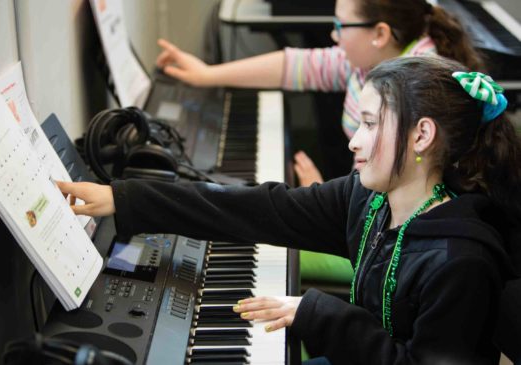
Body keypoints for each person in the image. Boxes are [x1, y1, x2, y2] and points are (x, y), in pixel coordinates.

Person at [58, 56, 521, 364]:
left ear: (421, 136)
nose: (353, 140)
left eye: (371, 124)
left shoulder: (460, 263)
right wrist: (126, 198)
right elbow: (263, 208)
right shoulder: (370, 200)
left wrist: (320, 315)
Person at [155, 0, 484, 187]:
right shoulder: (376, 58)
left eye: (341, 26)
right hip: (366, 200)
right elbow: (299, 65)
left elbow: (383, 204)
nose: (333, 35)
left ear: (380, 34)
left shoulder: (410, 92)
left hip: (390, 237)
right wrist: (207, 75)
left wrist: (320, 190)